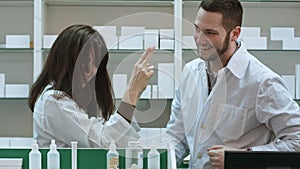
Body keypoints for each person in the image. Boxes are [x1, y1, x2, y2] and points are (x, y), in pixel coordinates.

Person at [163, 0, 300, 168]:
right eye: (197, 29)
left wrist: (241, 158)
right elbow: (177, 137)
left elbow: (296, 141)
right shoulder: (190, 72)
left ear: (235, 33)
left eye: (210, 33)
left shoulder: (263, 83)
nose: (199, 40)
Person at [28, 24, 155, 148]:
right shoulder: (53, 101)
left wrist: (134, 94)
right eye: (84, 62)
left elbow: (117, 141)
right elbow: (105, 143)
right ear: (65, 61)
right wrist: (132, 92)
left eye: (95, 63)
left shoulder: (75, 100)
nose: (91, 71)